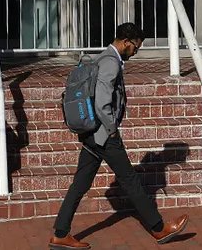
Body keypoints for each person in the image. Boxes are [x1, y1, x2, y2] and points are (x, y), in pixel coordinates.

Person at [48, 22, 189, 249]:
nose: (135, 52)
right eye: (135, 47)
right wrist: (112, 129)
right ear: (126, 42)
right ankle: (158, 228)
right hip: (103, 135)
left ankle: (60, 234)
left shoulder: (103, 57)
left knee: (79, 184)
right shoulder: (111, 63)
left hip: (91, 136)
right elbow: (103, 101)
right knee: (130, 180)